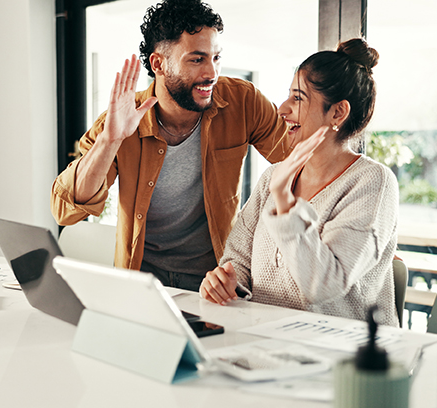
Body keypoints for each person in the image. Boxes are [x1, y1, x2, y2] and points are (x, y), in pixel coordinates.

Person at [51, 0, 288, 291]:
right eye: (197, 59)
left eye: (216, 57)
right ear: (158, 64)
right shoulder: (123, 119)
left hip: (216, 282)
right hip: (143, 283)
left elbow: (299, 162)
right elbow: (65, 210)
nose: (211, 73)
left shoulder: (242, 101)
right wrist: (109, 141)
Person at [198, 38, 400, 327]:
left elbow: (324, 286)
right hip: (265, 344)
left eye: (298, 98)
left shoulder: (373, 183)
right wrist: (226, 283)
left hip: (341, 361)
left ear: (337, 112)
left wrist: (283, 200)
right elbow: (236, 261)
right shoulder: (274, 175)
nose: (282, 109)